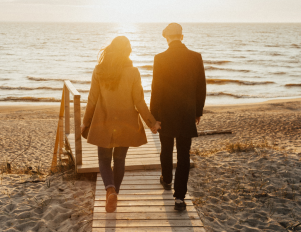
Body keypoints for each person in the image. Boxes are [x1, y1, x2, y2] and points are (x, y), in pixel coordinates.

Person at [81, 36, 161, 213]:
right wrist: (152, 123)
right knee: (119, 159)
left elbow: (92, 100)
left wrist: (85, 122)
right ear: (128, 52)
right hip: (126, 123)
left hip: (103, 121)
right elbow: (139, 102)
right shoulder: (133, 72)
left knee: (103, 159)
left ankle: (110, 190)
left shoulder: (99, 70)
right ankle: (114, 192)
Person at [150, 23, 207, 211]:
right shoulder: (195, 57)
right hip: (186, 113)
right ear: (181, 37)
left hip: (165, 113)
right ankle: (180, 198)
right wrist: (197, 111)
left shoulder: (160, 58)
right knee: (183, 155)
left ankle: (166, 179)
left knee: (166, 149)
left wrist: (153, 117)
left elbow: (155, 90)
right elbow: (201, 87)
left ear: (167, 38)